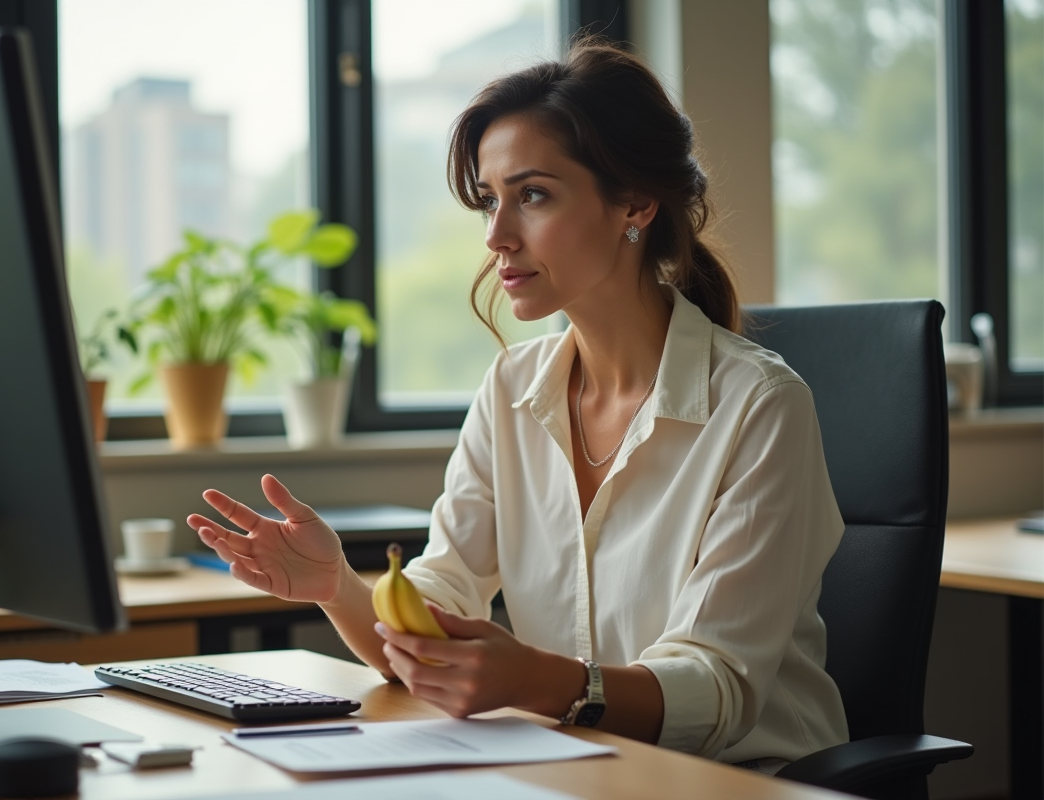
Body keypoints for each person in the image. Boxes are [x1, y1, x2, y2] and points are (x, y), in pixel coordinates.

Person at [187, 38, 849, 772]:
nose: (497, 237)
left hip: (746, 783)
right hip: (578, 771)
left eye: (532, 195)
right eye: (489, 201)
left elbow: (716, 692)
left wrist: (534, 680)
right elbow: (441, 608)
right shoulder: (510, 389)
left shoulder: (761, 406)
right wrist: (337, 587)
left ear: (634, 201)